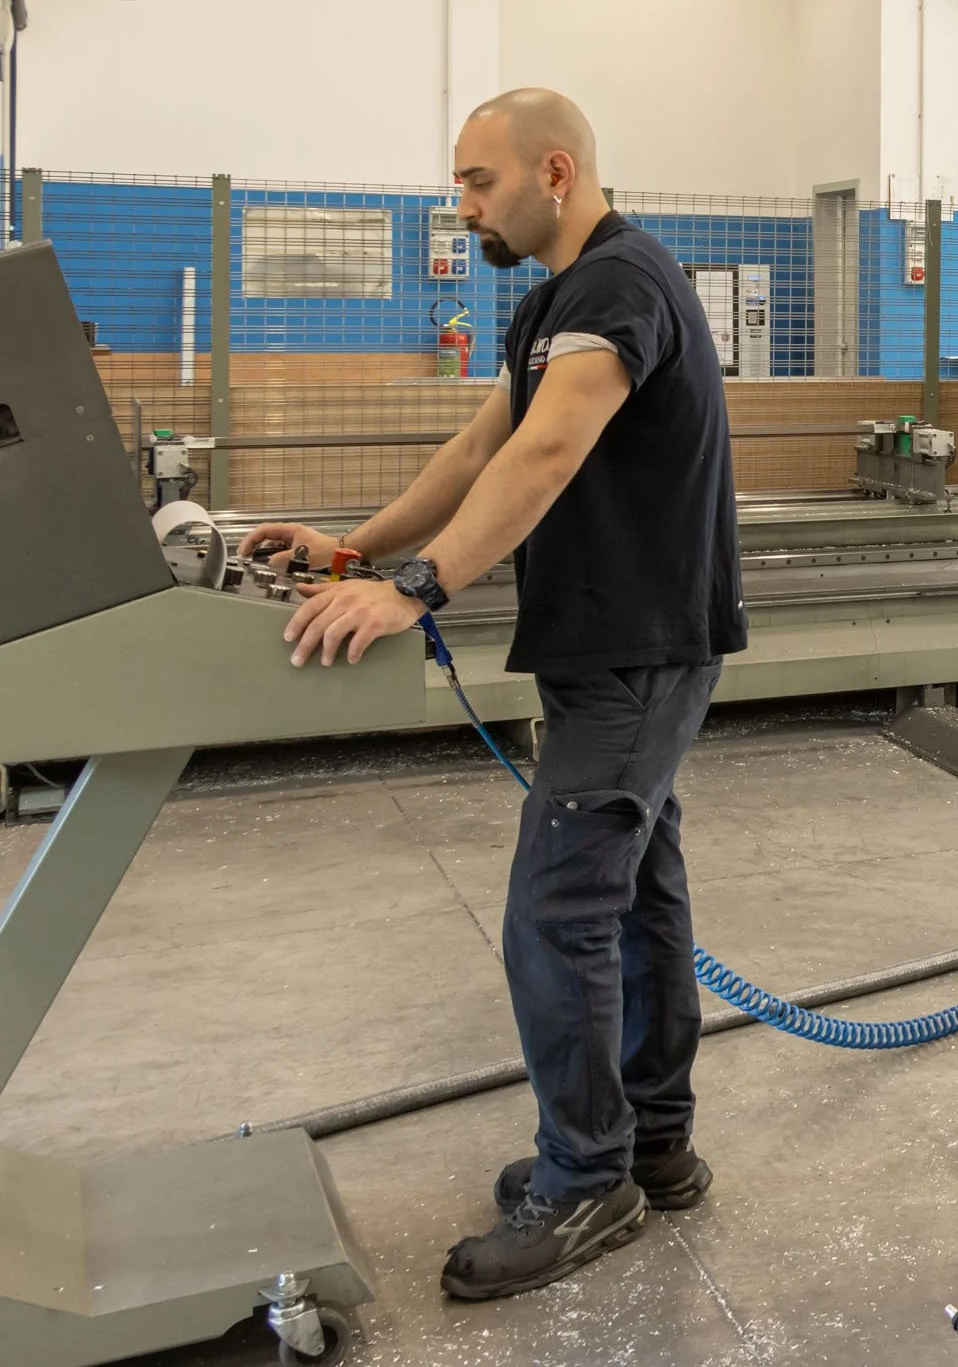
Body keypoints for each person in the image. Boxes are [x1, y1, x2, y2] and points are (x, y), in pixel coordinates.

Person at [241, 89, 746, 1301]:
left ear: (555, 171)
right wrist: (352, 552)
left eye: (476, 182)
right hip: (613, 649)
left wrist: (419, 588)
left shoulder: (619, 287)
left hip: (635, 651)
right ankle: (655, 1145)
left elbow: (548, 449)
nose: (460, 203)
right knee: (633, 895)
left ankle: (587, 1179)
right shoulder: (556, 300)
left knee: (555, 913)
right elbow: (478, 451)